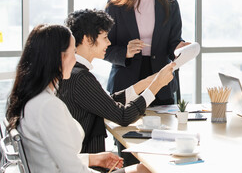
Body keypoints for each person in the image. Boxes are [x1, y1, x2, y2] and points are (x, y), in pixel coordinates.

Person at [5, 24, 148, 172]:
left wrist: (93, 159)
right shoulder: (48, 106)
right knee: (146, 169)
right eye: (73, 52)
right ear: (60, 57)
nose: (75, 59)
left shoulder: (32, 100)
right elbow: (72, 169)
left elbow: (51, 156)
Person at [59, 9, 174, 159]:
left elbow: (107, 104)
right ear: (87, 39)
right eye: (105, 37)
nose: (109, 42)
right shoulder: (81, 77)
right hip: (89, 165)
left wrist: (146, 83)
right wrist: (156, 85)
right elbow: (123, 116)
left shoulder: (73, 72)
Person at [105, 0, 188, 107]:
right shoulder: (115, 7)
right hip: (126, 84)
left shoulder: (170, 4)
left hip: (161, 82)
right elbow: (104, 49)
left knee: (164, 130)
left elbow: (173, 43)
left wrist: (180, 49)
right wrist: (125, 52)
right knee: (127, 131)